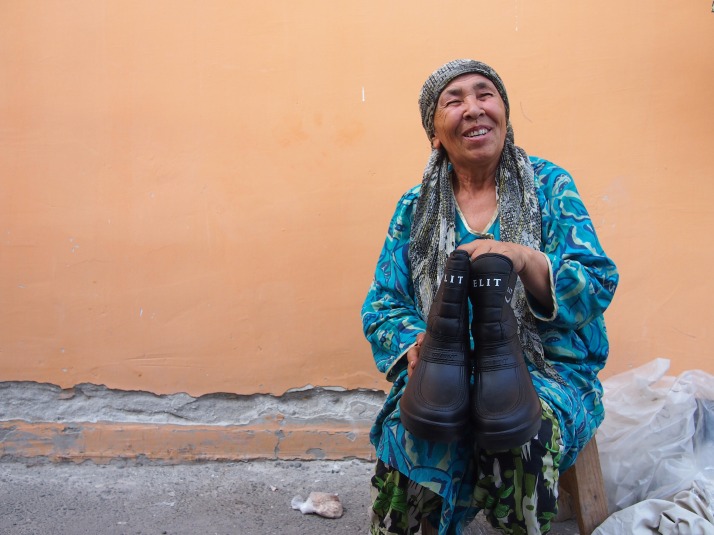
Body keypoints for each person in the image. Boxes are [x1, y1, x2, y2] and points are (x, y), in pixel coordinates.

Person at [361, 59, 619, 534]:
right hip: (447, 368)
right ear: (435, 134)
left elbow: (596, 279)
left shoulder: (548, 185)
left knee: (520, 426)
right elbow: (382, 303)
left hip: (548, 368)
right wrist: (420, 345)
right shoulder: (414, 208)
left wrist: (524, 259)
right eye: (454, 101)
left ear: (504, 114)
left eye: (486, 95)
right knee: (417, 421)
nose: (474, 109)